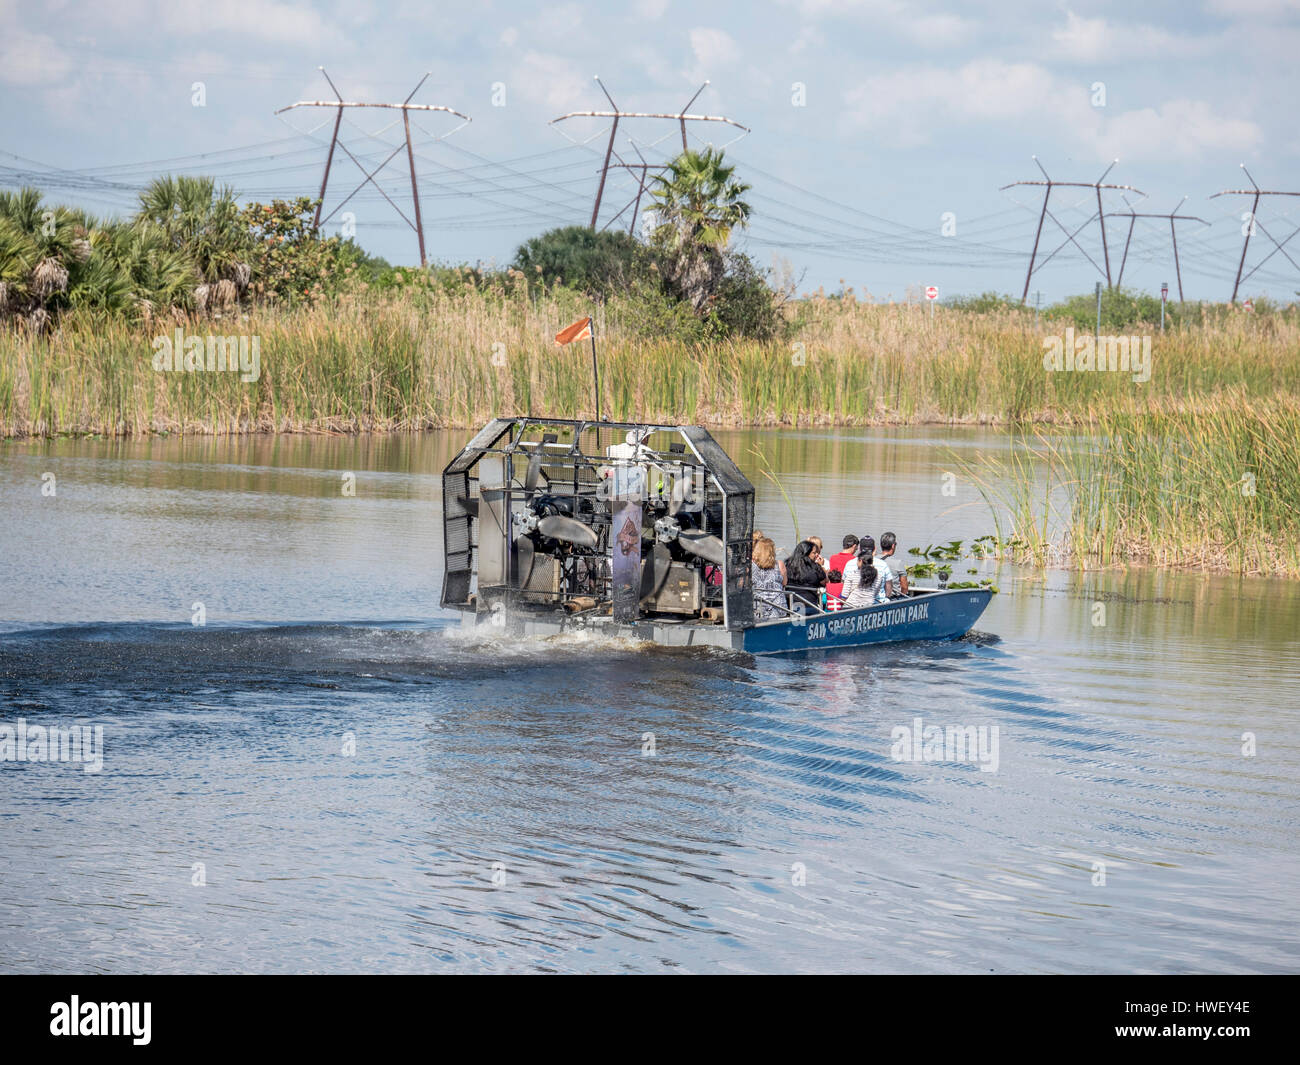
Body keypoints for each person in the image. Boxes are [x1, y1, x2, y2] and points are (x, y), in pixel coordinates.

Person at [784, 540, 828, 614]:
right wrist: (821, 566)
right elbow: (824, 582)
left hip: (791, 605)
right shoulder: (815, 567)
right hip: (810, 605)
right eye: (814, 553)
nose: (817, 555)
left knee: (797, 623)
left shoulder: (788, 565)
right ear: (806, 553)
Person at [840, 536, 880, 609]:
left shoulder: (852, 575)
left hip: (850, 607)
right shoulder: (878, 576)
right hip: (869, 606)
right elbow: (875, 592)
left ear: (860, 561)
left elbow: (844, 596)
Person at [750, 536, 785, 620]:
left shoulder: (751, 566)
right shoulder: (779, 564)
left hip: (758, 607)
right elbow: (784, 583)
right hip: (778, 607)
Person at [826, 534, 858, 608]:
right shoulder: (854, 560)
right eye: (856, 548)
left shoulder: (833, 558)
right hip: (847, 593)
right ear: (854, 546)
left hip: (832, 591)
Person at [876, 531, 909, 602]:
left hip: (876, 597)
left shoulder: (873, 559)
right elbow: (904, 587)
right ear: (893, 546)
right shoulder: (898, 563)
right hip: (892, 598)